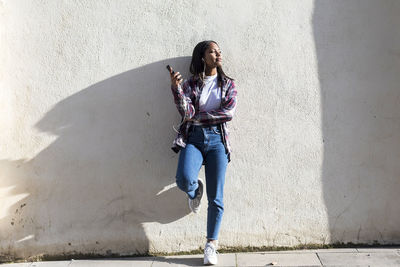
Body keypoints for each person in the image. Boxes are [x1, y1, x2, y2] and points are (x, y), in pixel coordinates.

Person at [168, 40, 237, 265]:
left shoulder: (228, 84)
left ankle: (211, 245)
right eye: (213, 51)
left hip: (218, 139)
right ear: (202, 57)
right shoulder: (190, 84)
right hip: (194, 138)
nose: (218, 54)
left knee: (216, 198)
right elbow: (187, 111)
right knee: (183, 179)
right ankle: (195, 189)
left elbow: (227, 113)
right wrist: (176, 89)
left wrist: (197, 117)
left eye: (219, 50)